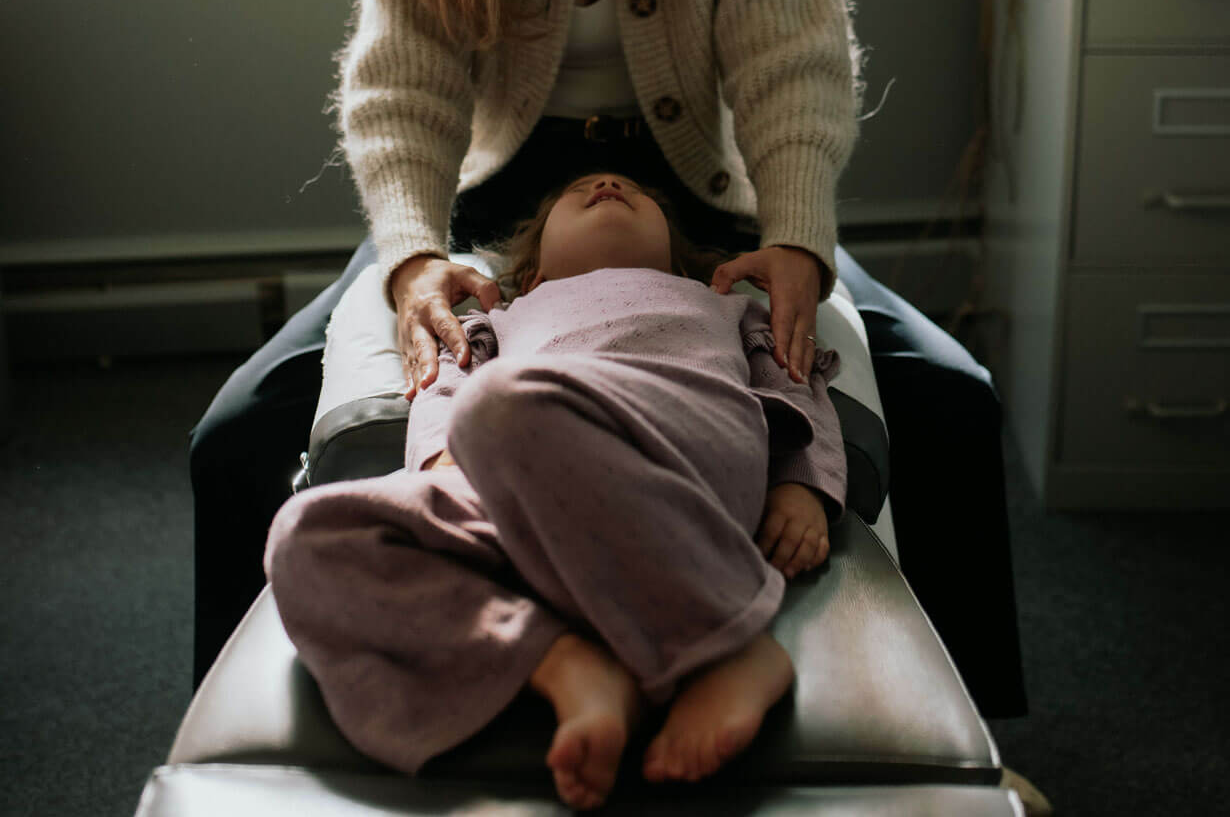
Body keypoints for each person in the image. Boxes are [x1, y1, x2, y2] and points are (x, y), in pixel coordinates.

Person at [191, 0, 1026, 720]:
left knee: (952, 404)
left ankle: (973, 752)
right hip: (491, 204)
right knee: (238, 434)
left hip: (707, 197)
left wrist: (795, 243)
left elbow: (796, 65)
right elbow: (402, 93)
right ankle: (241, 741)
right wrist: (409, 260)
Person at [264, 171, 847, 809]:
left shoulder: (725, 305)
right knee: (306, 533)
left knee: (499, 407)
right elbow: (443, 392)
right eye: (574, 192)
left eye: (635, 189)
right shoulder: (501, 318)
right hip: (513, 479)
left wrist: (804, 485)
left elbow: (796, 384)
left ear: (684, 263)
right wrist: (439, 471)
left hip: (682, 462)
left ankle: (728, 647)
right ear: (534, 274)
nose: (605, 181)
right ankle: (564, 663)